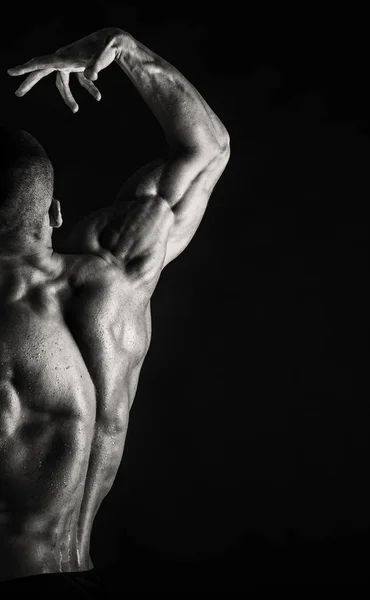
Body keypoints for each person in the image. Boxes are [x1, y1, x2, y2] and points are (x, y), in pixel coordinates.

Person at [1, 26, 230, 594]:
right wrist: (125, 48)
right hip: (80, 567)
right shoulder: (120, 277)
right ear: (54, 213)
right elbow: (207, 149)